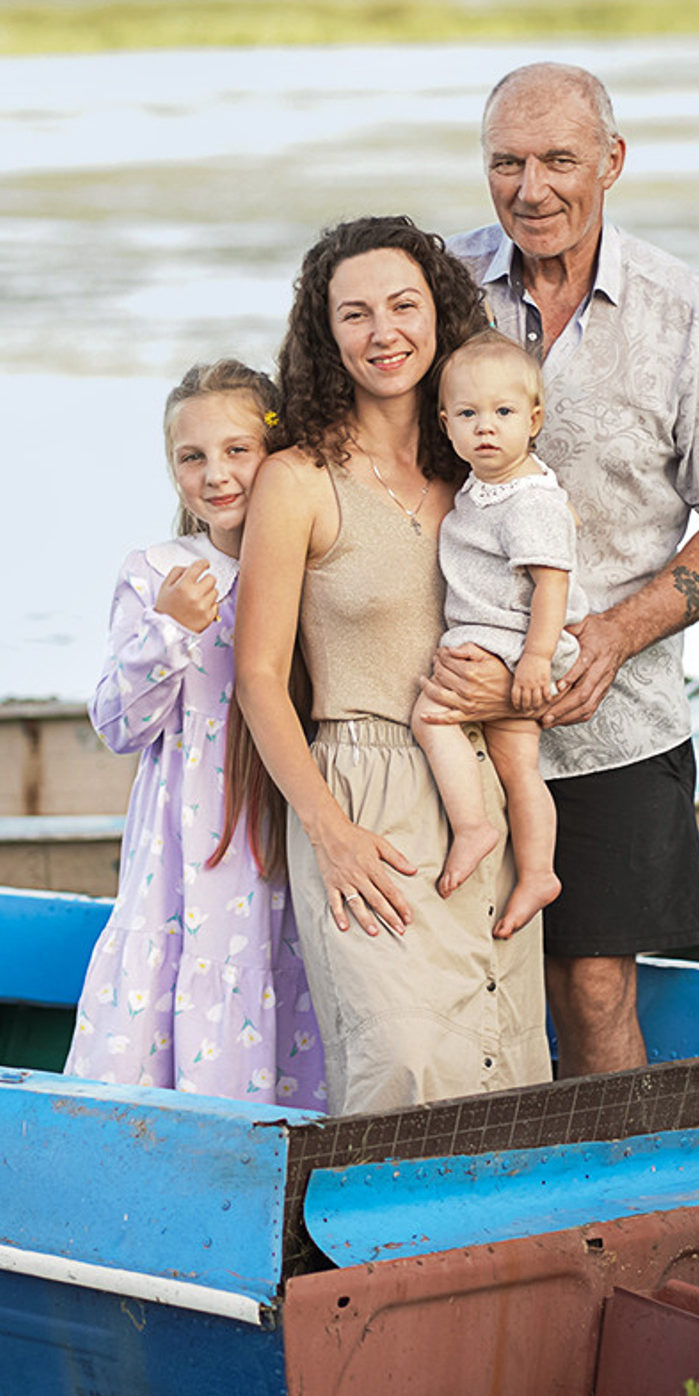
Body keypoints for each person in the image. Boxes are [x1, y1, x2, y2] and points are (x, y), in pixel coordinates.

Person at [432, 61, 699, 1079]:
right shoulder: (436, 293)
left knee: (592, 989)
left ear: (613, 163)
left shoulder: (689, 314)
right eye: (506, 162)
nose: (531, 188)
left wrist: (611, 638)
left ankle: (607, 1222)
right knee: (445, 981)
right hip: (448, 711)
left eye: (558, 161)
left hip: (614, 721)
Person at [234, 216, 552, 1115]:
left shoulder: (486, 475)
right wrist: (329, 833)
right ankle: (381, 1253)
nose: (385, 333)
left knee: (501, 1056)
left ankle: (498, 1251)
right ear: (326, 335)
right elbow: (258, 676)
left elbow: (540, 621)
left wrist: (515, 689)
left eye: (404, 306)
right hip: (359, 791)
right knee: (401, 1062)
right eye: (356, 314)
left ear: (440, 314)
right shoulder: (297, 479)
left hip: (477, 789)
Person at [64, 359, 327, 1110]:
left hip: (291, 821)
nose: (216, 473)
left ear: (276, 452)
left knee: (292, 989)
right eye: (193, 456)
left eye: (238, 449)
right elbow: (118, 724)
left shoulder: (318, 561)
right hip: (187, 845)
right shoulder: (158, 573)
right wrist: (168, 631)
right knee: (190, 980)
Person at [411, 330, 587, 941]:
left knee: (432, 716)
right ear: (446, 423)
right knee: (519, 767)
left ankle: (473, 828)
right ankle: (538, 871)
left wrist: (536, 660)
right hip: (505, 635)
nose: (486, 427)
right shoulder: (490, 486)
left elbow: (553, 586)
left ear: (534, 419)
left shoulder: (528, 499)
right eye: (468, 414)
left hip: (513, 639)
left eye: (504, 413)